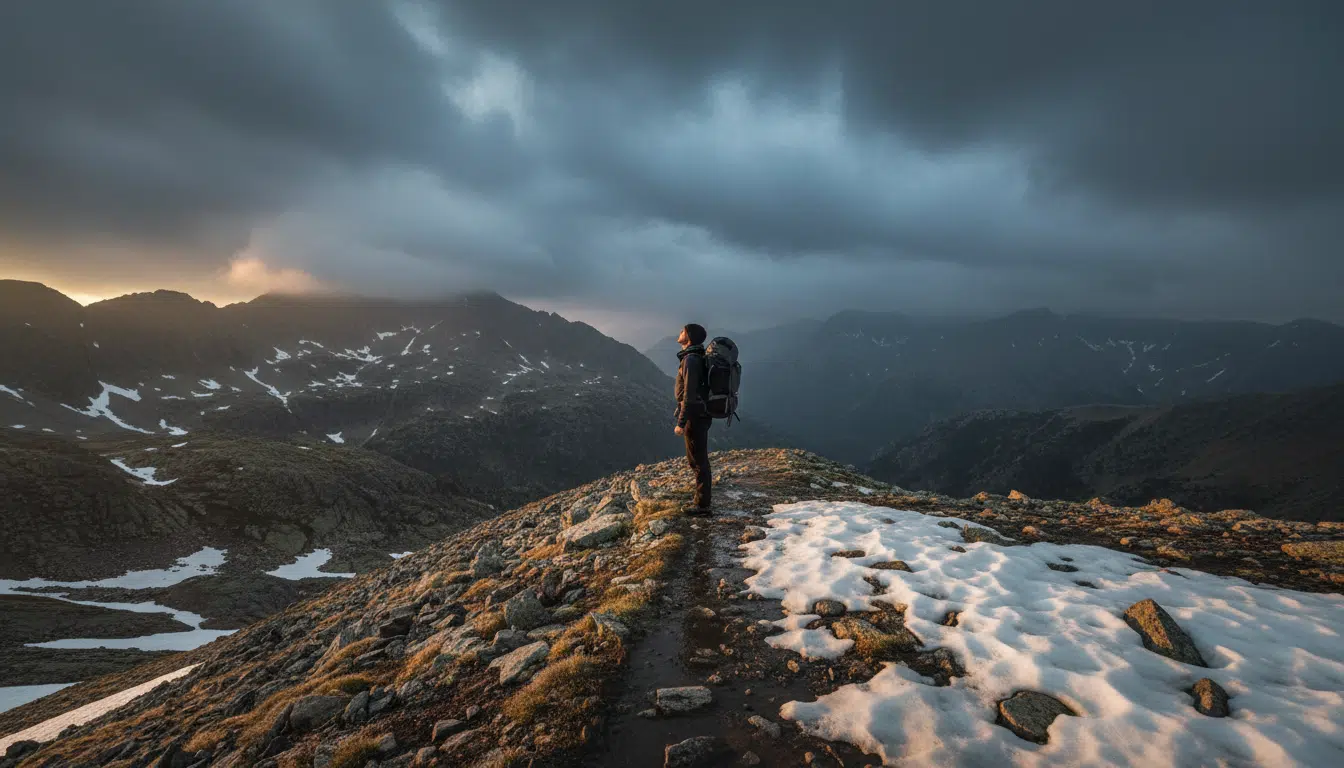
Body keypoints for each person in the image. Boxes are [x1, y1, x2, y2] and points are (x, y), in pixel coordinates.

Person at [674, 323, 713, 515]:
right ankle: (702, 500)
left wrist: (681, 423)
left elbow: (688, 396)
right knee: (699, 459)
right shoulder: (696, 357)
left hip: (694, 416)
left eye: (682, 331)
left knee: (697, 461)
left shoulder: (690, 360)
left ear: (688, 337)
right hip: (701, 413)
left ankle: (702, 506)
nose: (679, 333)